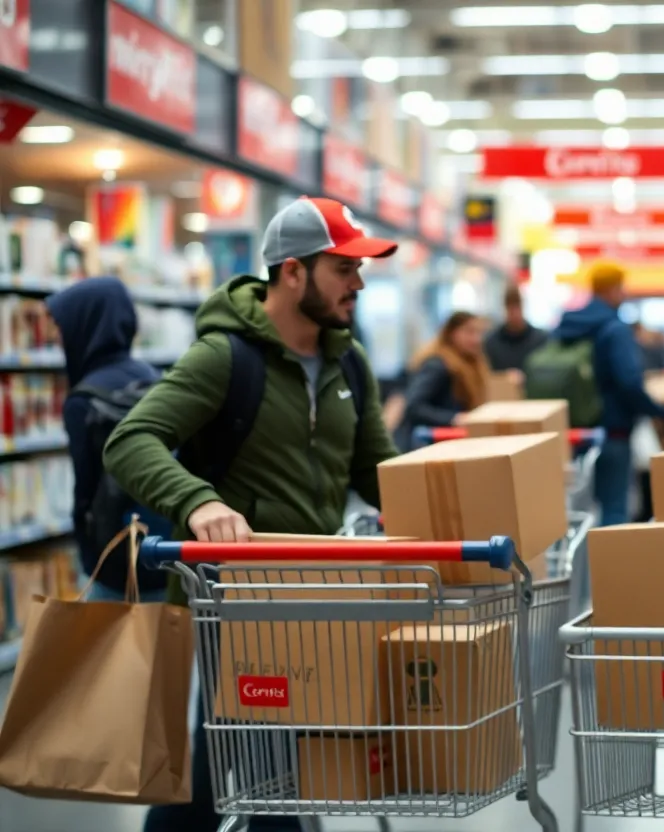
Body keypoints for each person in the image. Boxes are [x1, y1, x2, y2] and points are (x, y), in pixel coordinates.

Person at [103, 196, 402, 832]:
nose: (358, 282)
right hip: (237, 598)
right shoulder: (225, 357)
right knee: (271, 770)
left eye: (358, 268)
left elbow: (375, 471)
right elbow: (130, 440)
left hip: (316, 592)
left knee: (226, 767)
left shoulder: (349, 363)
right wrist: (199, 501)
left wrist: (446, 509)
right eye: (343, 268)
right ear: (292, 272)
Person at [47, 277, 172, 601]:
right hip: (166, 547)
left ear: (84, 326)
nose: (58, 337)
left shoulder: (83, 400)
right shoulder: (156, 380)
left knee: (104, 633)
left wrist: (88, 557)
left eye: (63, 327)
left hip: (112, 559)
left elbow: (84, 491)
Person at [553, 262, 664, 526]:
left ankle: (581, 555)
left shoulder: (566, 327)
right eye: (621, 288)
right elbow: (629, 383)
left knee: (575, 511)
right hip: (612, 432)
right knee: (614, 508)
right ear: (612, 289)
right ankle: (607, 555)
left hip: (574, 432)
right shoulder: (615, 329)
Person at [403, 311, 490, 443]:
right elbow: (414, 407)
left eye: (479, 333)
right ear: (452, 333)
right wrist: (453, 418)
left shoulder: (470, 364)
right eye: (469, 332)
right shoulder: (438, 365)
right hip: (433, 441)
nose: (476, 339)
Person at [483, 285, 546, 376]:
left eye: (517, 307)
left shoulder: (541, 339)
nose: (515, 313)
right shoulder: (491, 342)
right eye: (510, 308)